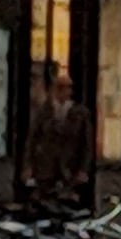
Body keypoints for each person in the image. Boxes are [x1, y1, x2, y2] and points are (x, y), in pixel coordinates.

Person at [22, 75, 94, 207]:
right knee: (43, 204)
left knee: (67, 204)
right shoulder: (43, 112)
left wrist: (83, 169)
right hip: (45, 169)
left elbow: (87, 145)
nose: (65, 92)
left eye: (68, 88)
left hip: (69, 169)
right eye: (60, 88)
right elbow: (32, 140)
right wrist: (28, 166)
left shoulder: (80, 114)